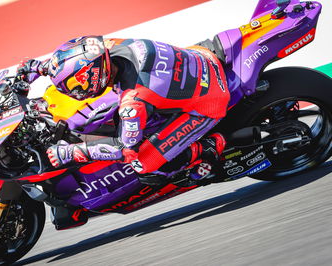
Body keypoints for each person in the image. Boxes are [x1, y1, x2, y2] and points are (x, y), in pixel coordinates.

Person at [17, 36, 230, 229]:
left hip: (206, 105)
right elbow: (75, 58)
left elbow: (125, 149)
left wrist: (71, 153)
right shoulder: (105, 48)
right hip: (197, 60)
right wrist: (39, 68)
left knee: (143, 163)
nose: (72, 90)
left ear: (94, 75)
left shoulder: (133, 101)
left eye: (75, 85)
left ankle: (208, 148)